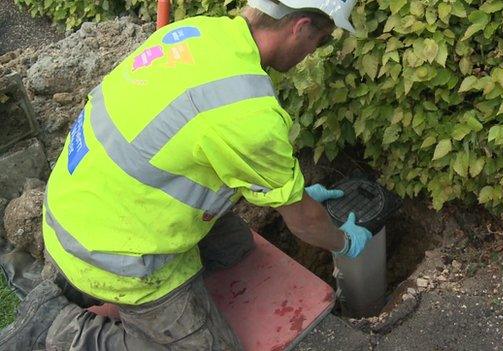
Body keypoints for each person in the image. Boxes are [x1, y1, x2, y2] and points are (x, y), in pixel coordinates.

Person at [0, 0, 372, 350]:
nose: (314, 52)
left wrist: (296, 192)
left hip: (79, 201)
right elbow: (305, 224)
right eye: (320, 42)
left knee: (236, 249)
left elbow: (204, 141)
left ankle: (65, 284)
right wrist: (341, 242)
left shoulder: (197, 32)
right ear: (301, 26)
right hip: (116, 250)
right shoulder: (246, 113)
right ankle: (61, 328)